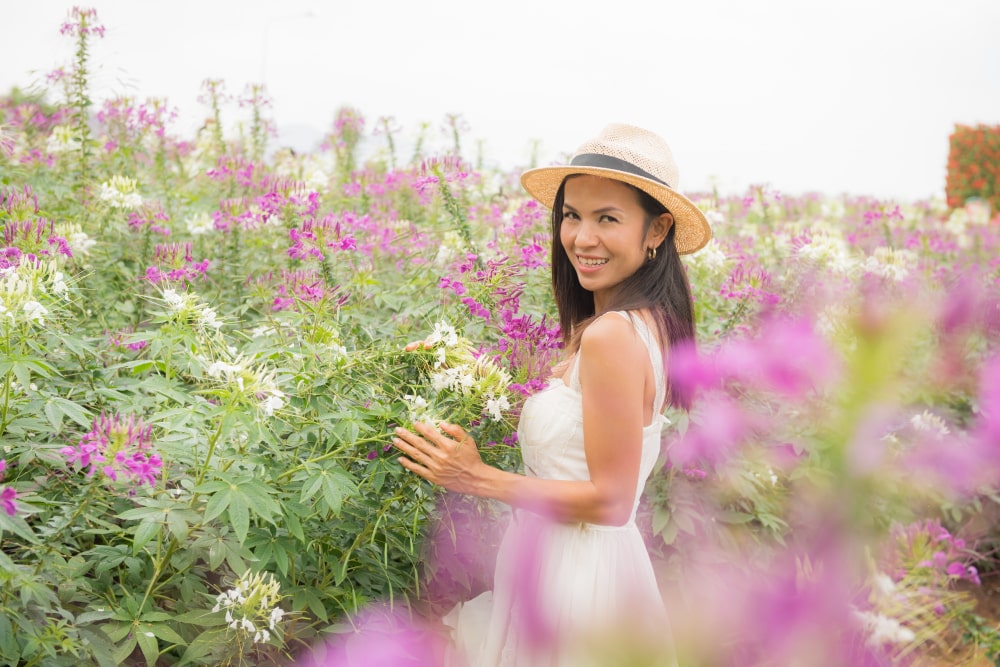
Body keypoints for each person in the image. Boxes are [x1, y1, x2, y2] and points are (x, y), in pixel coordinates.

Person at [392, 123, 712, 666]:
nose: (582, 238)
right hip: (587, 567)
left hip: (576, 579)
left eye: (607, 218)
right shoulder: (643, 323)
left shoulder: (613, 334)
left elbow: (610, 502)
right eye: (571, 215)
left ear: (656, 230)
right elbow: (578, 427)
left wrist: (474, 477)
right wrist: (472, 373)